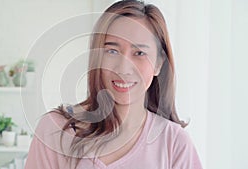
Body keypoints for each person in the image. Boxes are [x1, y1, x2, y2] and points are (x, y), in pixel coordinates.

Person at [25, 0, 203, 168]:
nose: (123, 68)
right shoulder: (56, 130)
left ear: (158, 63)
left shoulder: (174, 143)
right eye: (112, 51)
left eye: (139, 53)